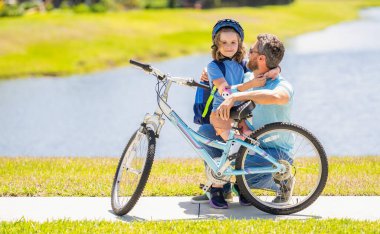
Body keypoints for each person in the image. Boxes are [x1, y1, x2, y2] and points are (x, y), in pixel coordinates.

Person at [192, 33, 294, 209]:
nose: (247, 52)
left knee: (234, 163)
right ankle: (222, 187)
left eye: (252, 50)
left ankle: (283, 180)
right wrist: (207, 75)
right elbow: (226, 87)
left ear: (261, 58)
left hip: (274, 155)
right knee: (206, 133)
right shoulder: (248, 78)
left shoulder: (280, 84)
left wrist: (241, 95)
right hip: (248, 144)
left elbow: (279, 96)